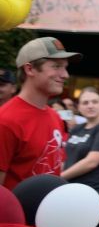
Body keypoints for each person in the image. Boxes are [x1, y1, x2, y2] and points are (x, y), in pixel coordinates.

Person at [0, 37, 80, 190]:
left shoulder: (55, 117)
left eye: (65, 67)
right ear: (30, 69)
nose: (65, 75)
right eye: (56, 66)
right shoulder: (5, 120)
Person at [60, 87, 99, 225]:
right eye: (85, 103)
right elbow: (66, 157)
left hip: (92, 193)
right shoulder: (77, 129)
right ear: (78, 107)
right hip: (69, 190)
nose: (90, 106)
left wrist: (59, 177)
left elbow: (92, 161)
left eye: (95, 101)